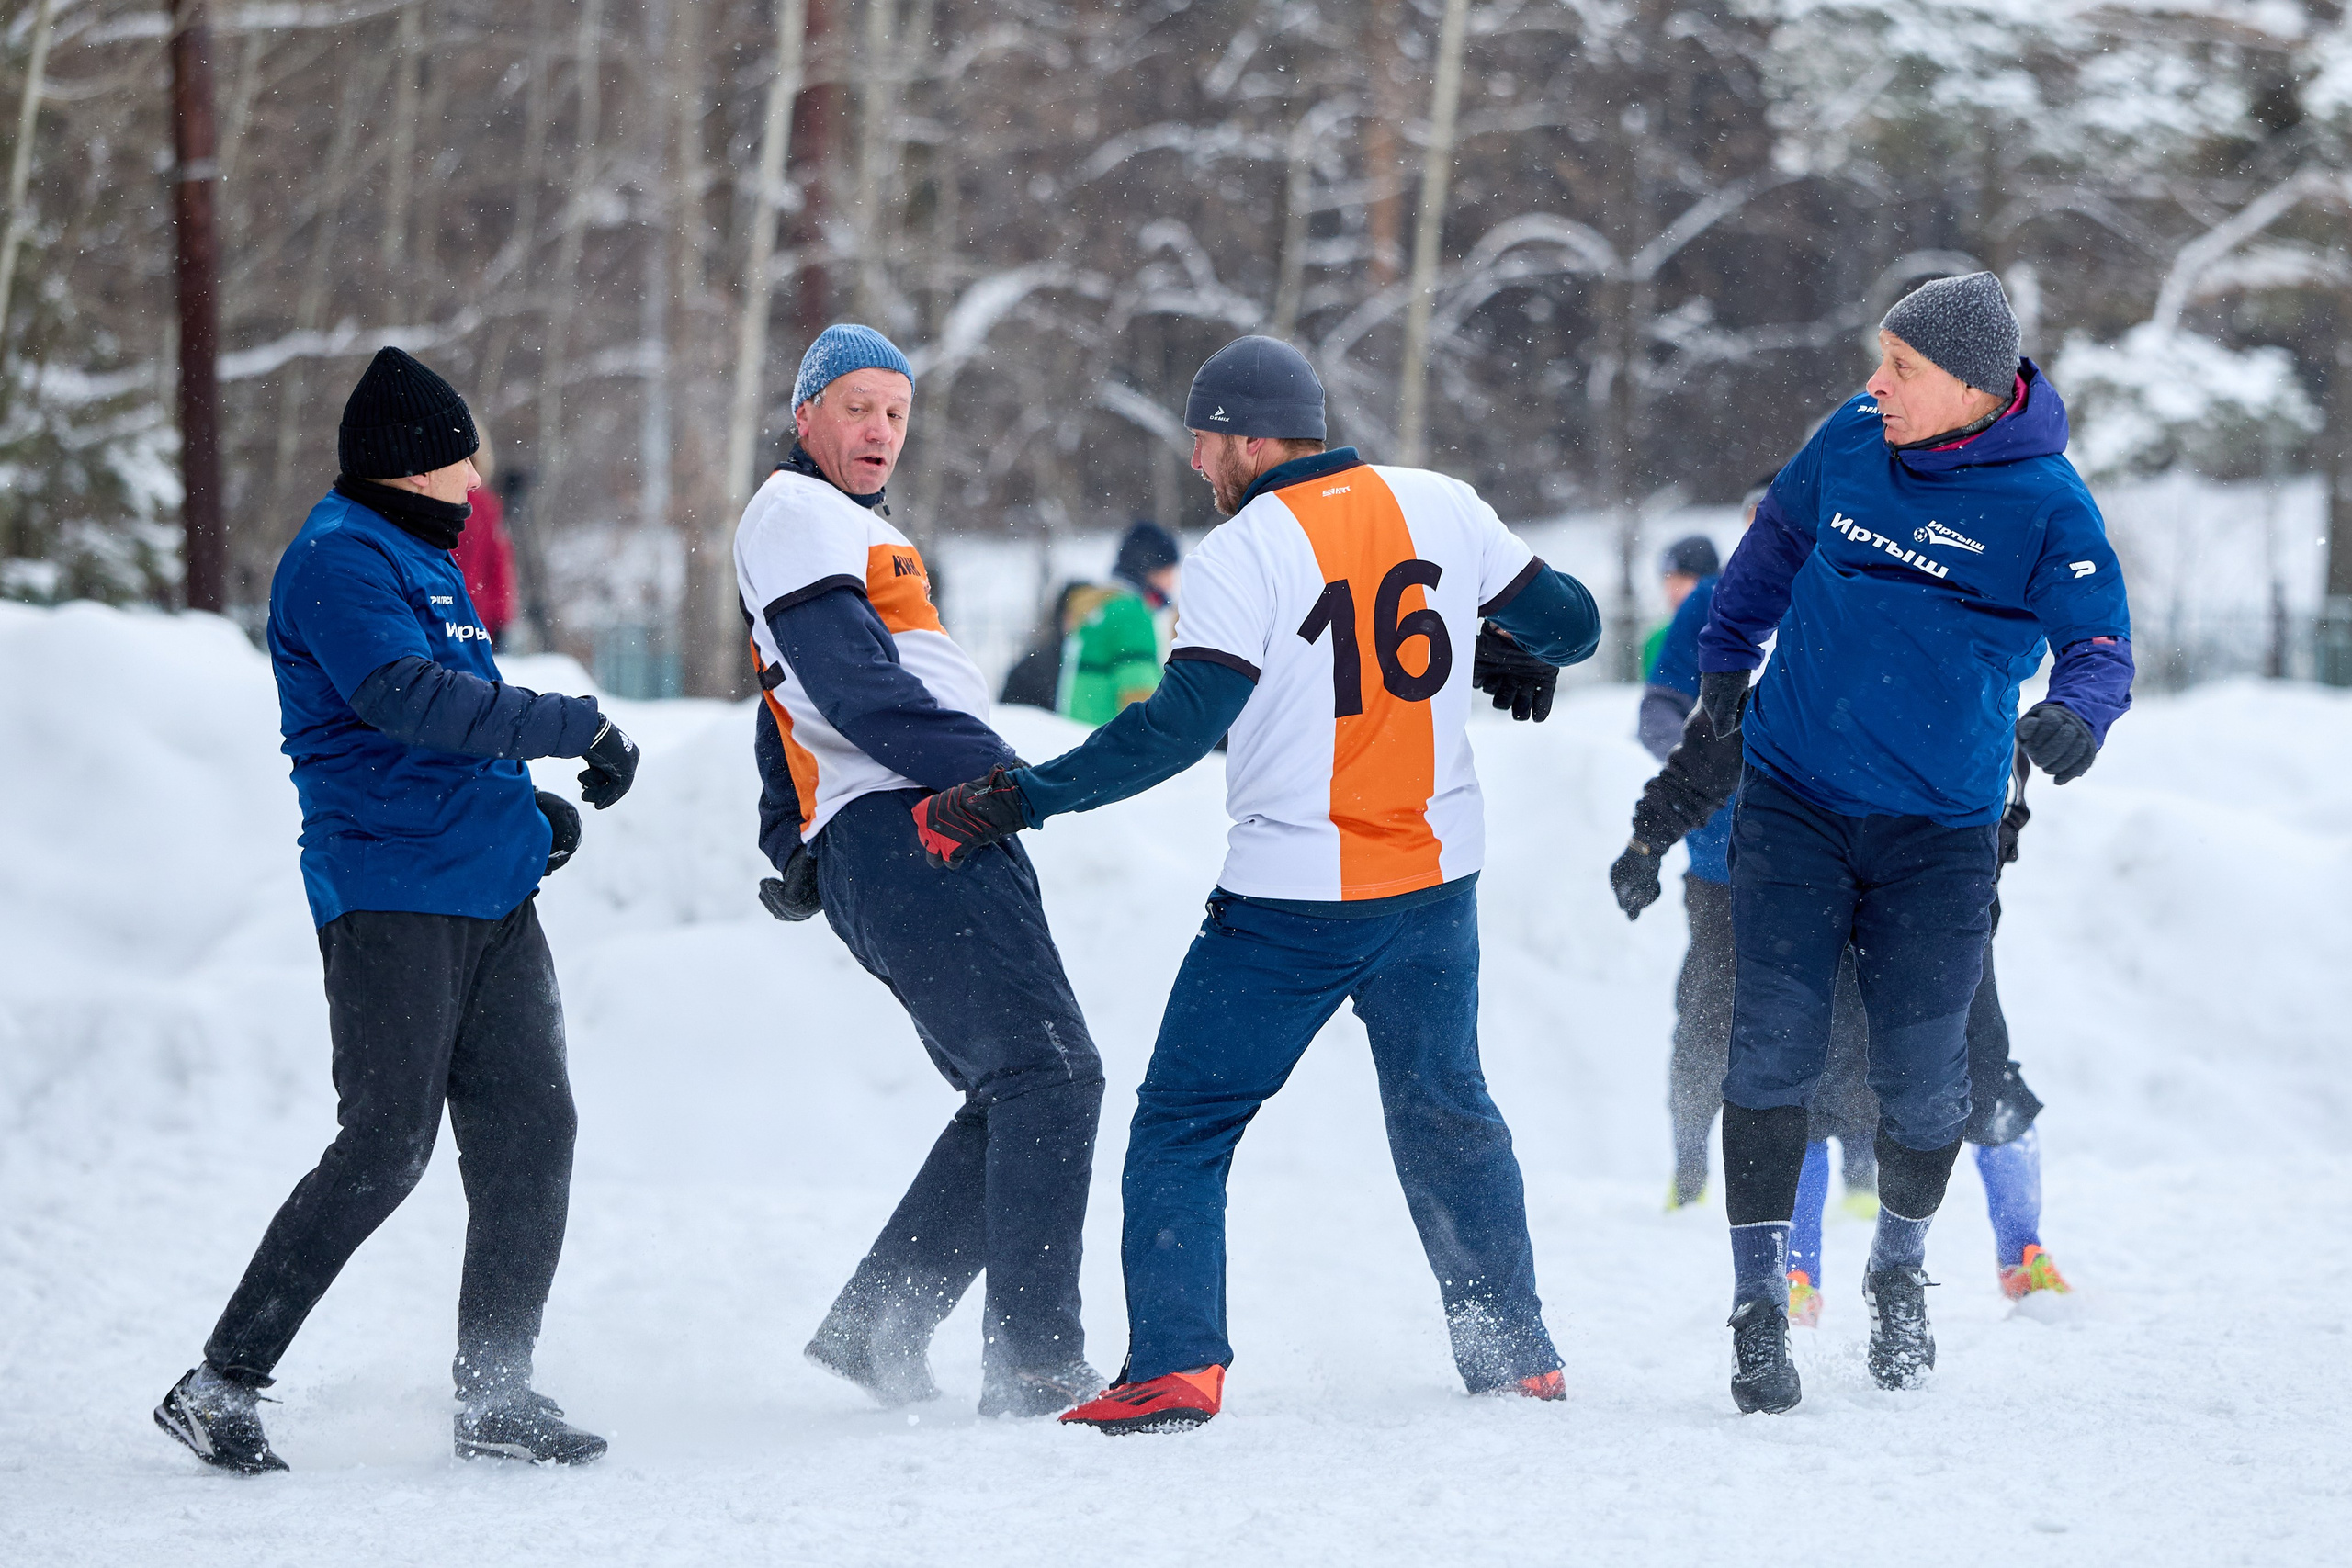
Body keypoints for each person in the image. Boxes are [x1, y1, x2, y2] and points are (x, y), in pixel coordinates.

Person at [907, 335, 1603, 1434]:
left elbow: (1179, 729)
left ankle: (1178, 1366)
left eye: (1202, 442)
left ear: (1246, 438)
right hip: (1432, 887)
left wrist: (1021, 797)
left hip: (1294, 899)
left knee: (1184, 1122)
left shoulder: (1244, 550)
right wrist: (1504, 636)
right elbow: (1573, 625)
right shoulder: (1442, 505)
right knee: (1446, 1111)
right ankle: (1512, 1352)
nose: (1197, 465)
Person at [1617, 271, 2132, 1413]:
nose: (1873, 384)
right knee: (1770, 1051)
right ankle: (1759, 1307)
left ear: (1970, 387)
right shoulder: (1850, 439)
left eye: (1899, 368)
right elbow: (1771, 545)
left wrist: (2077, 715)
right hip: (1794, 798)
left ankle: (1898, 1272)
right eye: (1877, 359)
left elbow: (2099, 645)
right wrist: (1722, 670)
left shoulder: (2047, 506)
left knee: (1920, 1076)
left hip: (1937, 831)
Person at [153, 348, 639, 1474]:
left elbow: (455, 719)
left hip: (488, 893)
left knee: (532, 1136)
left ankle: (496, 1393)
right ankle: (219, 1381)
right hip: (390, 896)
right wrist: (574, 724)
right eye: (460, 453)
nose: (476, 475)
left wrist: (530, 817)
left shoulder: (422, 562)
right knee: (384, 1148)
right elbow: (402, 699)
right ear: (414, 463)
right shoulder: (336, 557)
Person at [733, 323, 1107, 1419]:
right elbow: (850, 691)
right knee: (1050, 1077)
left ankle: (878, 1327)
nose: (879, 430)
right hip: (918, 819)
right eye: (855, 406)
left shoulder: (833, 528)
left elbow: (784, 695)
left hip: (915, 820)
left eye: (896, 413)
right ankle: (1035, 1362)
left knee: (1016, 1087)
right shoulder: (793, 513)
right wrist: (998, 777)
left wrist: (792, 840)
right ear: (804, 416)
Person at [1621, 730, 2073, 1327]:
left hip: (1941, 911)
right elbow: (1724, 738)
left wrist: (1989, 848)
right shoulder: (1816, 669)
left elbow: (2006, 766)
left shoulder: (1963, 668)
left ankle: (2022, 1253)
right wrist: (1651, 835)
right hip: (1830, 905)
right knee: (1814, 1087)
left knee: (1980, 1080)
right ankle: (1798, 1272)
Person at [1644, 517, 1879, 1219]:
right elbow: (1660, 706)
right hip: (1721, 863)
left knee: (1845, 1015)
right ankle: (1688, 1174)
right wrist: (1700, 759)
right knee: (1708, 1016)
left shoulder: (1853, 591)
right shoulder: (1713, 599)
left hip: (1834, 857)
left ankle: (1860, 1176)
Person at [1057, 520, 1182, 726]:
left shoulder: (1102, 604)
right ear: (1147, 569)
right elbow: (1139, 693)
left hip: (1079, 736)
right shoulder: (1131, 613)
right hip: (1108, 744)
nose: (1172, 583)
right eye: (1167, 572)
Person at [451, 427, 519, 645]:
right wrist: (501, 616)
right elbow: (499, 563)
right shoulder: (486, 505)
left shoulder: (428, 502)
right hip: (479, 618)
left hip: (439, 614)